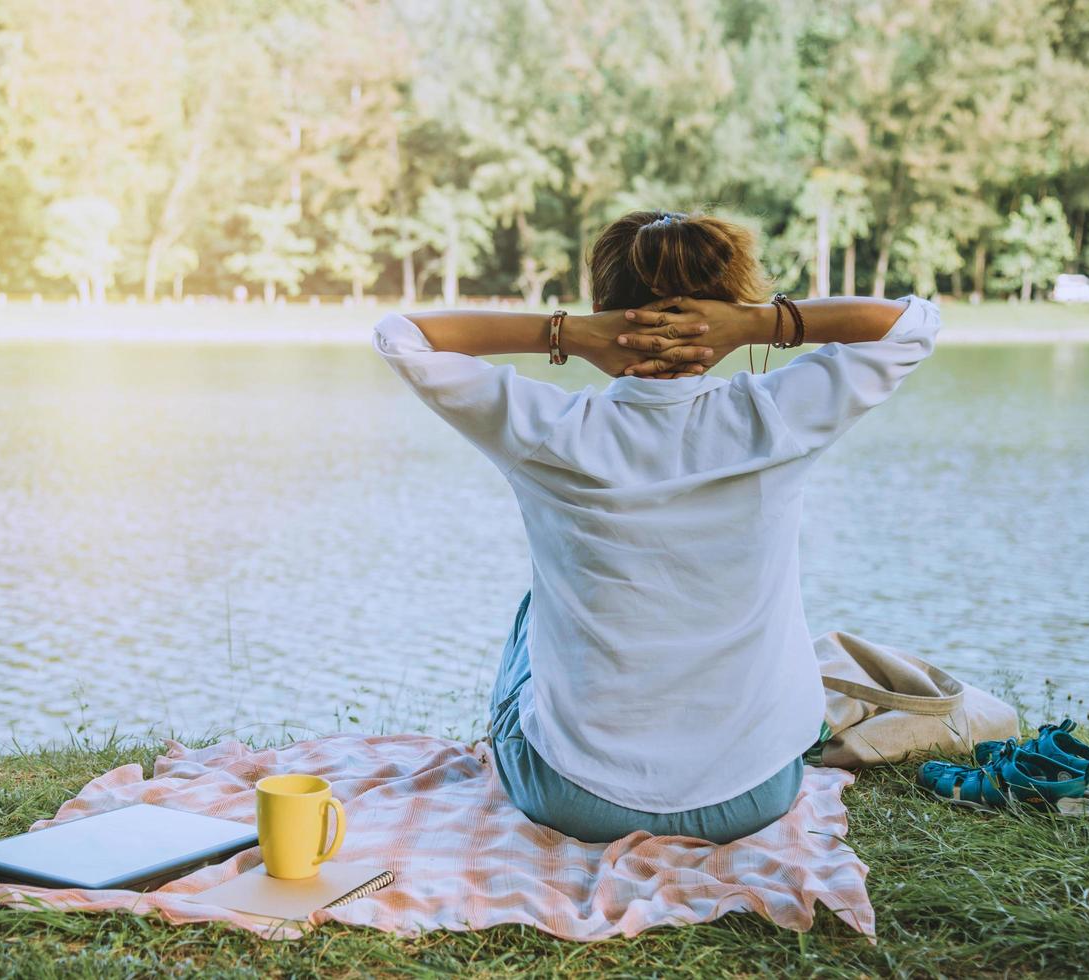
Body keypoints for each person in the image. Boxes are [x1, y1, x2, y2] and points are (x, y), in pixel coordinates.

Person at [373, 209, 940, 844]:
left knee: (537, 608)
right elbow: (914, 325)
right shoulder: (776, 418)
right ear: (726, 313)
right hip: (755, 793)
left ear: (605, 310)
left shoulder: (550, 432)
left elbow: (401, 335)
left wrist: (571, 334)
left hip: (576, 797)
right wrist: (761, 323)